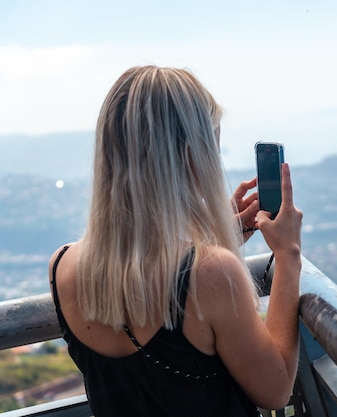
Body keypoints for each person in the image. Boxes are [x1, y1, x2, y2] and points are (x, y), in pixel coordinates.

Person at [48, 65, 303, 417]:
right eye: (212, 148)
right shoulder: (212, 274)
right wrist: (288, 256)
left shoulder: (61, 265)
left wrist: (214, 238)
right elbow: (275, 391)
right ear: (189, 157)